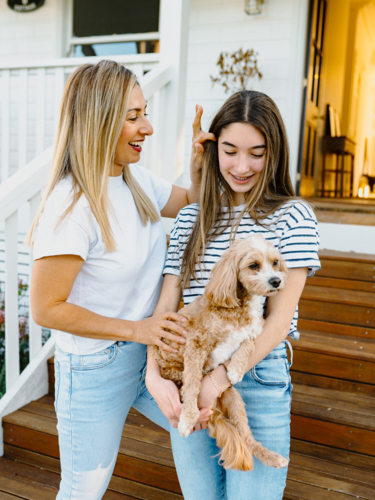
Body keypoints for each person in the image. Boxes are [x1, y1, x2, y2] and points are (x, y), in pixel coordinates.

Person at [26, 60, 213, 500]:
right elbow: (45, 308)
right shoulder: (69, 206)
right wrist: (137, 329)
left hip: (147, 355)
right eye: (132, 117)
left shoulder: (134, 180)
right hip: (95, 367)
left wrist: (197, 168)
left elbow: (191, 201)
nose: (147, 126)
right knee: (82, 492)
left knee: (204, 425)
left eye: (144, 112)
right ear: (98, 120)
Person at [146, 90, 321, 500]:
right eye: (229, 151)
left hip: (255, 374)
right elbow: (167, 306)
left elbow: (279, 321)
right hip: (187, 369)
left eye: (256, 153)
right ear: (212, 148)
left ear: (273, 152)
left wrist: (218, 381)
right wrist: (154, 376)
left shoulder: (293, 215)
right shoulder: (191, 216)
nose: (242, 167)